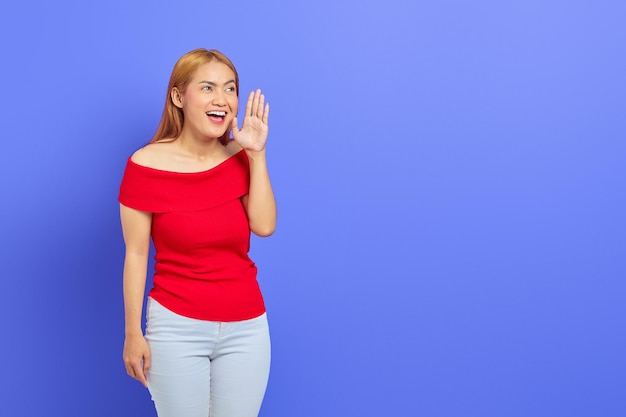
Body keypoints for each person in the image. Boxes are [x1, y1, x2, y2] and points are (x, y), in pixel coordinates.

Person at [118, 48, 276, 417]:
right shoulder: (145, 165)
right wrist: (132, 332)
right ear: (178, 96)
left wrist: (257, 155)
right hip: (176, 327)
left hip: (247, 327)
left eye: (230, 88)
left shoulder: (241, 156)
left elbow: (265, 226)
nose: (222, 99)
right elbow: (136, 254)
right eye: (207, 88)